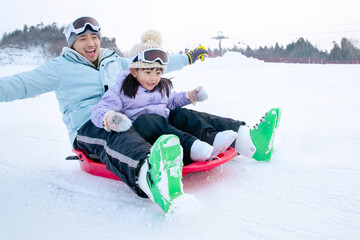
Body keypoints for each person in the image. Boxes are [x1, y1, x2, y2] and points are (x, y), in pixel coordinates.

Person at [0, 16, 281, 213]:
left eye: (94, 37)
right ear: (72, 43)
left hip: (132, 115)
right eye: (83, 38)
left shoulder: (114, 59)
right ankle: (152, 175)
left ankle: (247, 139)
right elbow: (21, 84)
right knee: (116, 136)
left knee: (173, 112)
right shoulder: (59, 68)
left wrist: (191, 57)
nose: (90, 43)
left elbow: (151, 62)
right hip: (89, 125)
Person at [91, 29, 238, 165]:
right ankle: (192, 148)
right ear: (134, 71)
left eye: (158, 72)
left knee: (180, 113)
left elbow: (172, 100)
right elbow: (99, 110)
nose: (153, 78)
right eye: (148, 73)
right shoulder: (121, 89)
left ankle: (211, 138)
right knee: (147, 119)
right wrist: (111, 118)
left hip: (165, 131)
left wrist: (190, 96)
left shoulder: (159, 88)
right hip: (143, 135)